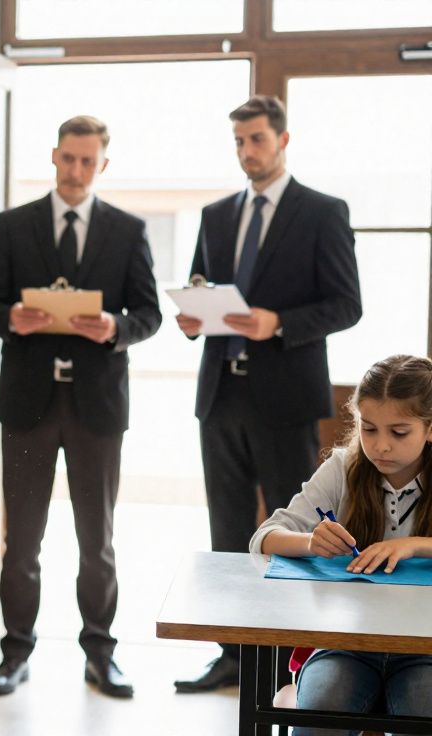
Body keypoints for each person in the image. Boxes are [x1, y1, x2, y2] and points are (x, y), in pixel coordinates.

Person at [174, 95, 362, 693]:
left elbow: (346, 305)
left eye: (256, 139)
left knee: (293, 530)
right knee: (226, 532)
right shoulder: (216, 214)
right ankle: (231, 655)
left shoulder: (322, 212)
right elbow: (203, 286)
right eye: (238, 141)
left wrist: (277, 321)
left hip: (285, 396)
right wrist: (193, 319)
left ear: (283, 140)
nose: (246, 152)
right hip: (220, 394)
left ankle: (291, 656)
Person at [0, 115, 160, 699]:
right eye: (67, 159)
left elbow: (148, 316)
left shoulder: (128, 231)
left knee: (96, 540)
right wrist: (9, 320)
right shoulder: (14, 225)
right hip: (28, 405)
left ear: (103, 164)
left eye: (87, 161)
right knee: (22, 541)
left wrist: (113, 327)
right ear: (54, 157)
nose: (76, 171)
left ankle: (101, 654)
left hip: (97, 407)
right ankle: (14, 654)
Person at [250, 354, 432, 733]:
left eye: (398, 432)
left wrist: (414, 545)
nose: (381, 446)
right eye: (369, 429)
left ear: (429, 428)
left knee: (422, 713)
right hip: (344, 644)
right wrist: (310, 542)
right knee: (320, 715)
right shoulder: (342, 468)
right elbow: (264, 538)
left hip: (425, 650)